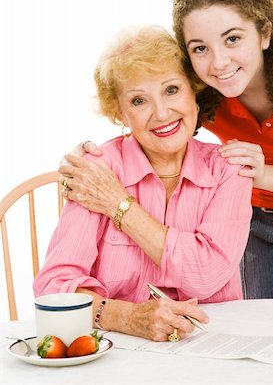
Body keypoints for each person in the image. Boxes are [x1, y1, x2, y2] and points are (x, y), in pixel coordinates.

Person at [67, 0, 273, 323]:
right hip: (249, 220)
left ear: (264, 33)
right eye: (200, 48)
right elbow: (154, 114)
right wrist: (91, 158)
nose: (219, 62)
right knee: (252, 339)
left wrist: (262, 173)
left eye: (232, 39)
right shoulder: (205, 91)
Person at [34, 25, 253, 342]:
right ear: (119, 112)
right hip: (119, 346)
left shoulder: (228, 169)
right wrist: (126, 317)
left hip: (213, 345)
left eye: (172, 90)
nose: (162, 113)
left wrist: (117, 204)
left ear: (194, 92)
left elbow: (206, 274)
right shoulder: (97, 170)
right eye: (139, 101)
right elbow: (54, 287)